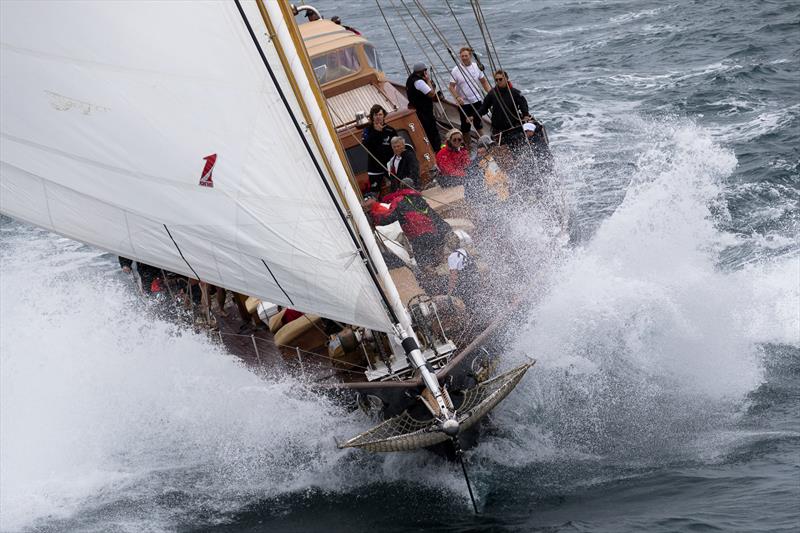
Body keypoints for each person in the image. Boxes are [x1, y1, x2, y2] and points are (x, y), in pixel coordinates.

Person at [364, 181, 450, 269]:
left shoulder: (400, 200)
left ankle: (431, 277)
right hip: (432, 233)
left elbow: (387, 218)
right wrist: (447, 229)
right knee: (436, 260)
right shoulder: (419, 199)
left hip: (417, 237)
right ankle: (440, 276)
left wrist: (371, 213)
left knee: (424, 265)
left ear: (400, 188)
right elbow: (434, 216)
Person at [448, 47, 491, 149]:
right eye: (462, 56)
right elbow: (451, 87)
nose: (464, 58)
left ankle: (484, 145)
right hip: (464, 103)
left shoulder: (476, 67)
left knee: (478, 124)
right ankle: (468, 147)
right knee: (465, 127)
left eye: (466, 56)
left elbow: (483, 81)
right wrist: (457, 97)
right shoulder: (456, 70)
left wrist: (491, 94)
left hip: (476, 100)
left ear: (470, 56)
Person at [478, 70, 530, 146]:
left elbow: (523, 104)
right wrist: (475, 115)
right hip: (498, 127)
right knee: (501, 148)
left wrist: (525, 115)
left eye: (500, 79)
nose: (498, 81)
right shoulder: (492, 93)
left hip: (512, 126)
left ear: (506, 78)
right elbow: (484, 107)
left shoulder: (515, 92)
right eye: (496, 80)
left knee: (516, 145)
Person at [361, 104, 397, 194]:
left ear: (384, 115)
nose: (378, 117)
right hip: (374, 167)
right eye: (375, 115)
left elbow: (397, 147)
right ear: (372, 117)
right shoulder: (367, 131)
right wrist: (377, 132)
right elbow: (366, 146)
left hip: (389, 166)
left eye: (380, 114)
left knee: (396, 187)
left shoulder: (390, 130)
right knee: (374, 192)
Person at [405, 62, 441, 152]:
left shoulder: (410, 79)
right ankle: (436, 151)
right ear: (423, 72)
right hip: (424, 112)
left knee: (425, 131)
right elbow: (431, 94)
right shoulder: (419, 82)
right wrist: (428, 80)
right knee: (432, 132)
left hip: (417, 110)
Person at [446, 233, 480, 310]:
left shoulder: (452, 257)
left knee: (454, 301)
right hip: (475, 277)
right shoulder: (464, 251)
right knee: (472, 300)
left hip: (465, 281)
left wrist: (449, 291)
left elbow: (453, 276)